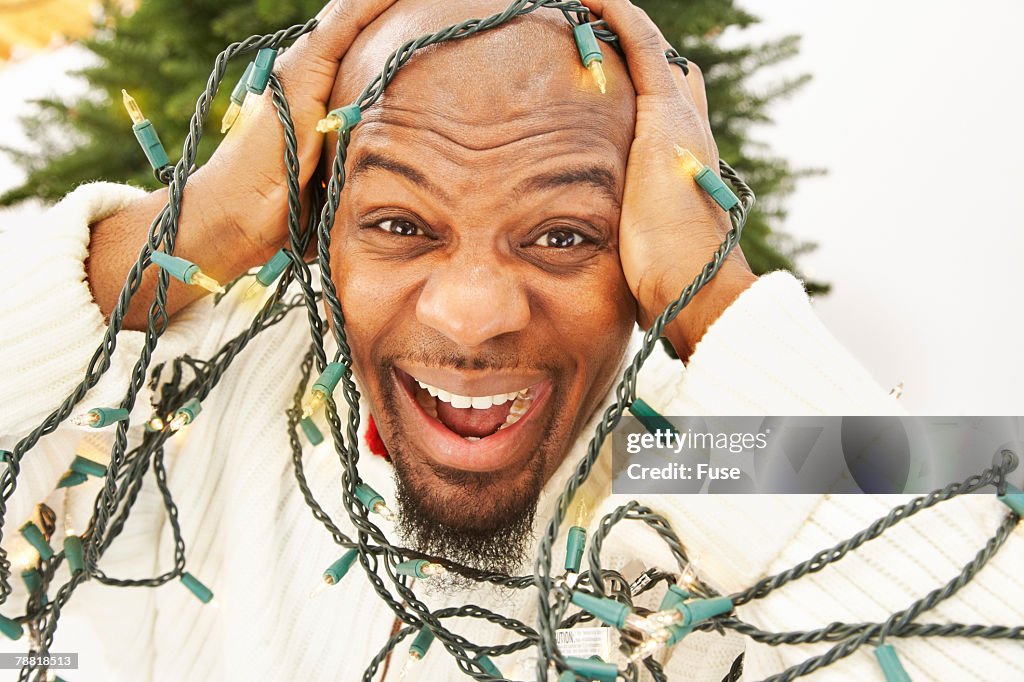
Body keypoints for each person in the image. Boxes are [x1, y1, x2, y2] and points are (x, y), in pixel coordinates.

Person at [0, 0, 1021, 680]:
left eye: (563, 234)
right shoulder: (199, 401)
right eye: (399, 224)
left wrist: (716, 298)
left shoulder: (698, 447)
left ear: (639, 237)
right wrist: (194, 225)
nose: (475, 310)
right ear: (315, 223)